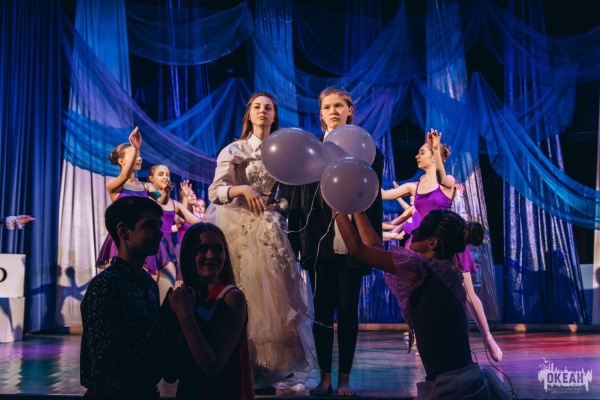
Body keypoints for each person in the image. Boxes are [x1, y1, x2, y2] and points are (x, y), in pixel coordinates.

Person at [203, 92, 318, 391]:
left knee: (274, 300)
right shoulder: (235, 150)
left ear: (274, 115)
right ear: (249, 114)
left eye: (268, 108)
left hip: (270, 230)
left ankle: (267, 369)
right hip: (238, 228)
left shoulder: (282, 151)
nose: (263, 111)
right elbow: (215, 191)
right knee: (244, 293)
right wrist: (242, 189)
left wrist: (278, 206)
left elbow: (289, 195)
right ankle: (240, 364)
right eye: (257, 107)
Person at [334, 209, 511, 399]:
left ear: (432, 242)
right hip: (458, 381)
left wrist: (338, 209)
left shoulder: (422, 269)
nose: (413, 232)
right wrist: (358, 210)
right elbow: (375, 250)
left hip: (453, 388)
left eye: (419, 229)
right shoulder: (442, 270)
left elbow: (357, 250)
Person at [288, 87, 385, 396]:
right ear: (320, 113)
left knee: (347, 311)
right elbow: (299, 198)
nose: (333, 111)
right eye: (327, 106)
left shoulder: (368, 150)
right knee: (322, 313)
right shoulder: (311, 149)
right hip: (319, 241)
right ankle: (325, 378)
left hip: (353, 239)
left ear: (349, 110)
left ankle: (344, 378)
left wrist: (373, 244)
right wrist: (295, 243)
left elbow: (374, 201)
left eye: (339, 106)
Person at [381, 129, 502, 362]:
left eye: (422, 152)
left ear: (434, 156)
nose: (417, 155)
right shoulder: (414, 187)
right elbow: (384, 194)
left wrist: (436, 148)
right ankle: (425, 339)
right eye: (419, 152)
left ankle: (488, 337)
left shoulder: (448, 183)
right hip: (423, 247)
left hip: (448, 244)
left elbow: (442, 178)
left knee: (468, 295)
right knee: (422, 296)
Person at [80, 196, 164, 400]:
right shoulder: (105, 285)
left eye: (159, 226)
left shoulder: (148, 284)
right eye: (149, 226)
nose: (160, 233)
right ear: (124, 231)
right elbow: (105, 362)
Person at [158, 223, 254, 400]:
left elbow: (211, 366)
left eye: (218, 249)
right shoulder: (185, 297)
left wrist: (185, 315)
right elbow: (170, 373)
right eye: (201, 249)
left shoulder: (231, 297)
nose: (211, 256)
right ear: (188, 255)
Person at [96, 127, 164, 268]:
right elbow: (125, 176)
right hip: (123, 239)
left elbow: (162, 200)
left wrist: (166, 190)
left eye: (139, 155)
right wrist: (135, 147)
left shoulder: (146, 186)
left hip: (142, 237)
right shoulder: (113, 185)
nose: (139, 158)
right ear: (121, 161)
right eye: (134, 154)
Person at [147, 165, 203, 302]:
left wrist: (219, 218)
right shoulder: (146, 200)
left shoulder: (174, 204)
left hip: (167, 251)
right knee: (148, 294)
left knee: (166, 295)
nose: (165, 177)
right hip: (149, 249)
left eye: (167, 174)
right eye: (161, 174)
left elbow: (195, 220)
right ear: (151, 179)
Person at [176, 181, 205, 245]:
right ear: (181, 199)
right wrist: (185, 196)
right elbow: (181, 219)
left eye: (193, 193)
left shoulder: (199, 215)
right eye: (189, 194)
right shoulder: (177, 214)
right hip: (183, 248)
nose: (192, 196)